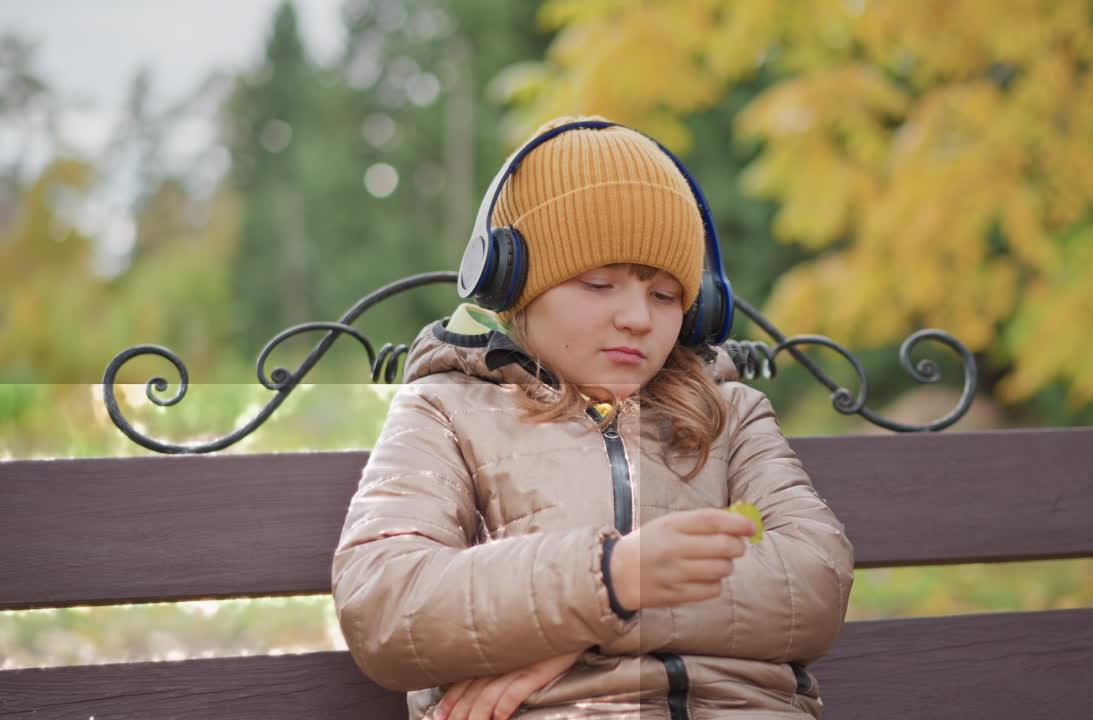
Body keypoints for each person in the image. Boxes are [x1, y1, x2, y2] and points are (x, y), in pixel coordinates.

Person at [332, 116, 855, 720]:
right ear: (512, 285)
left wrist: (596, 620)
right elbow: (388, 606)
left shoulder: (731, 413)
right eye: (599, 283)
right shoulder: (445, 411)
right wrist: (605, 580)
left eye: (665, 295)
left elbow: (815, 582)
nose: (638, 317)